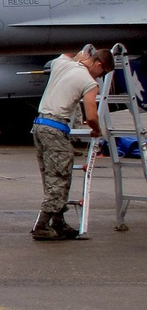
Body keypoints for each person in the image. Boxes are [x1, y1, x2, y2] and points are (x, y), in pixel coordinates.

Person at [31, 46, 114, 240]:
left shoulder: (61, 64)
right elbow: (92, 115)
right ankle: (42, 225)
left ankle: (58, 222)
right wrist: (96, 130)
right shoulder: (88, 82)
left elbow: (67, 51)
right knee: (60, 177)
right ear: (99, 64)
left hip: (40, 126)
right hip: (56, 128)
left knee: (50, 175)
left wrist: (81, 54)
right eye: (102, 73)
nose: (99, 78)